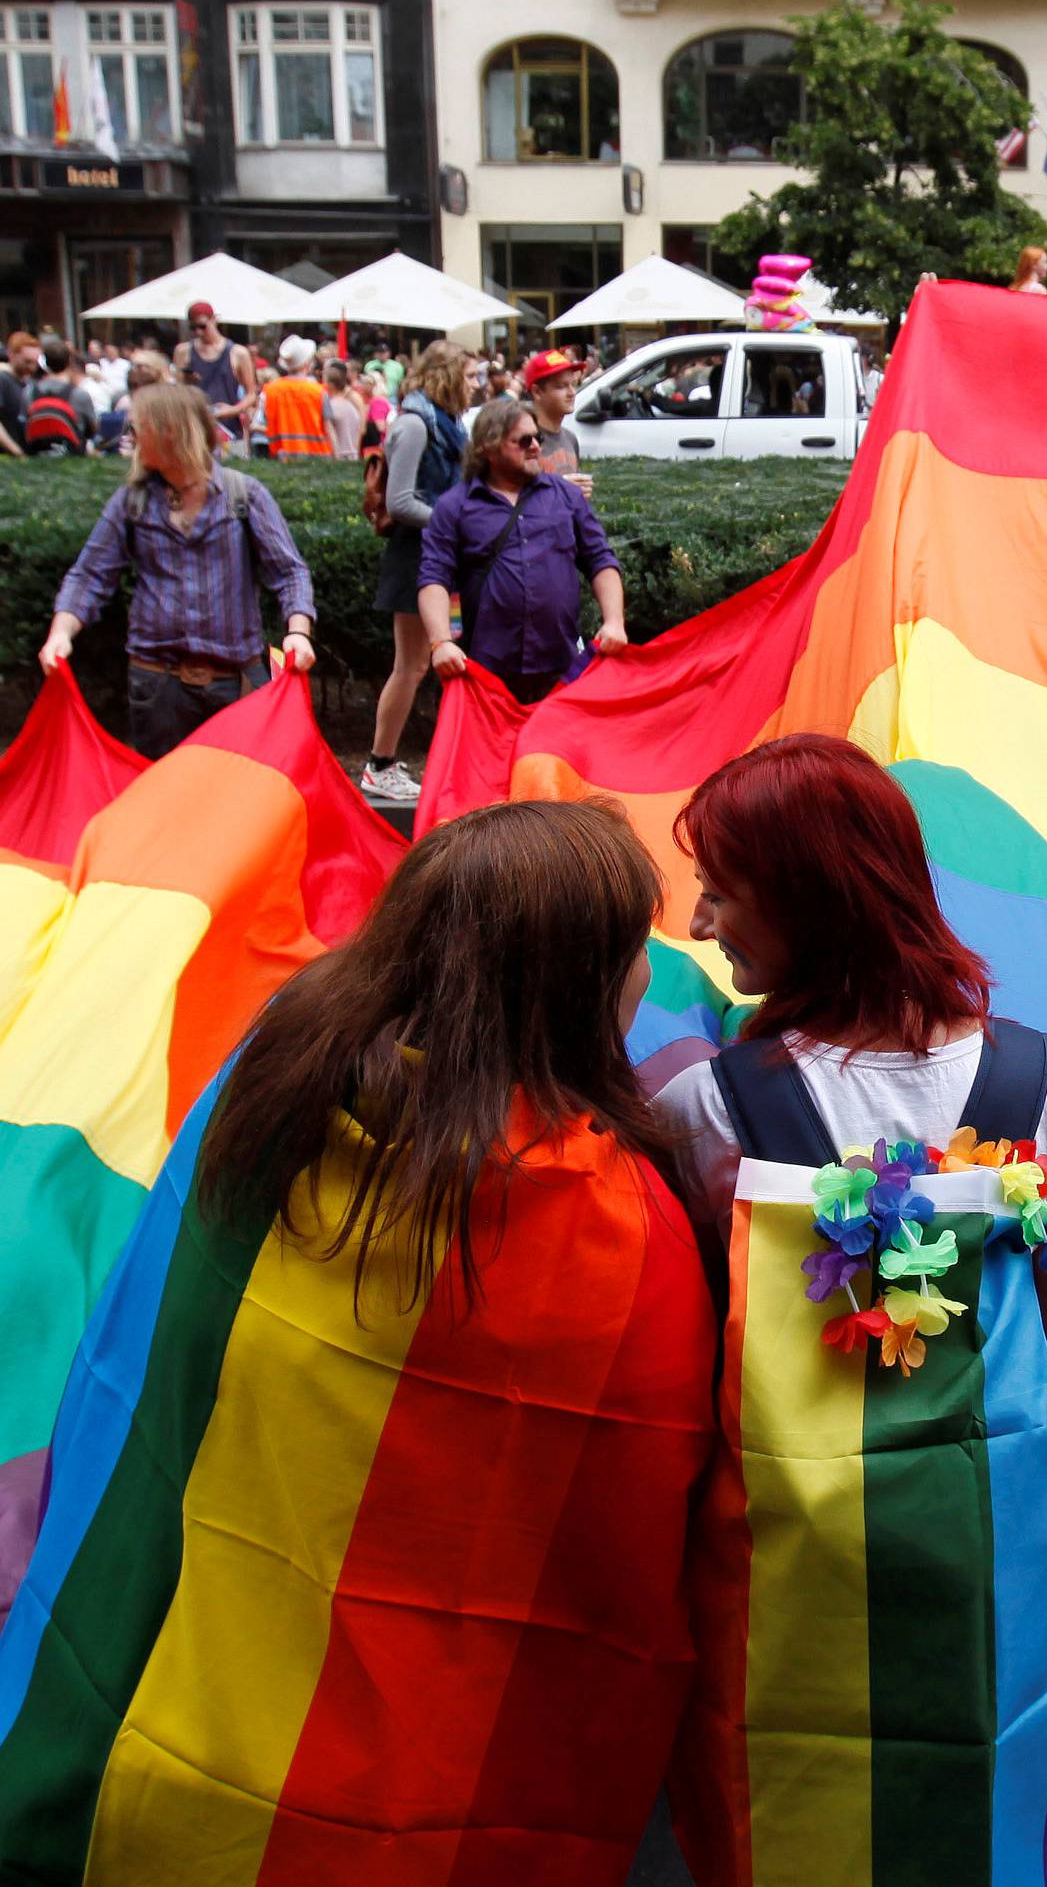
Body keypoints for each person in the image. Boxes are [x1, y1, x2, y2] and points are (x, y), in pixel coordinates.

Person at [0, 800, 716, 1880]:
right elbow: (634, 1525)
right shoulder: (617, 1226)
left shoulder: (263, 1088)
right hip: (396, 1823)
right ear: (573, 979)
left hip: (144, 1746)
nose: (648, 979)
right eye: (631, 952)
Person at [654, 733, 1047, 1887]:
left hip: (793, 1581)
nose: (701, 921)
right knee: (992, 1819)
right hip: (1001, 1561)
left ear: (813, 898)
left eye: (722, 888)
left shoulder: (703, 1113)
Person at [38, 382, 315, 758]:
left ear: (171, 431)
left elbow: (289, 572)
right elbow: (90, 574)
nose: (129, 437)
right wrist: (61, 633)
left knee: (236, 806)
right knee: (162, 807)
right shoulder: (132, 501)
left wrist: (299, 633)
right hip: (156, 686)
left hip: (236, 685)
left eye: (137, 428)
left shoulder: (243, 495)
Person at [418, 396, 627, 707]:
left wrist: (614, 621)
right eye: (523, 440)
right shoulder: (454, 505)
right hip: (487, 669)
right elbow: (434, 576)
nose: (535, 446)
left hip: (561, 665)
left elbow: (600, 560)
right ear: (488, 448)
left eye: (537, 438)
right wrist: (440, 642)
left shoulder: (567, 497)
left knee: (553, 757)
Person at [362, 340, 469, 804]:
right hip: (416, 559)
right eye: (466, 375)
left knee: (433, 661)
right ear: (447, 376)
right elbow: (399, 501)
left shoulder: (443, 423)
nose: (472, 384)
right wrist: (456, 521)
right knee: (412, 665)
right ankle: (379, 764)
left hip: (441, 557)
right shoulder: (414, 424)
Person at [174, 302, 258, 442]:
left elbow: (251, 394)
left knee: (232, 462)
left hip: (228, 427)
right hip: (194, 424)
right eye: (193, 328)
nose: (198, 332)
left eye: (202, 326)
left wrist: (232, 410)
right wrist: (186, 380)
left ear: (214, 320)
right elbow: (176, 390)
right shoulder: (183, 351)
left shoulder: (238, 353)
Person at [522, 346, 594, 494]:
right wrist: (559, 490)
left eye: (573, 385)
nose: (572, 393)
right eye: (562, 386)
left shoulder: (570, 438)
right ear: (537, 392)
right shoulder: (523, 442)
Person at [24, 335, 99, 457]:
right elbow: (92, 430)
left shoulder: (29, 393)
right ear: (69, 361)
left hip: (38, 459)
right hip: (73, 458)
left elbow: (24, 424)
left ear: (45, 362)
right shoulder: (80, 395)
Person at [262, 334, 330, 459]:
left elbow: (263, 421)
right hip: (318, 457)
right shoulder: (318, 390)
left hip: (281, 457)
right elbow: (328, 429)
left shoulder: (270, 390)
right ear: (308, 363)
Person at [0, 328, 38, 453]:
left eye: (34, 362)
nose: (32, 367)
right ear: (11, 354)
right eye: (27, 362)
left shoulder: (31, 383)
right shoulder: (3, 380)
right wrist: (16, 451)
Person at [321, 358, 361, 458]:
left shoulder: (331, 406)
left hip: (339, 456)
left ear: (331, 384)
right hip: (352, 454)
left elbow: (329, 431)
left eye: (324, 380)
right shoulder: (350, 406)